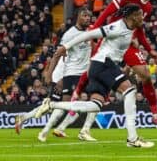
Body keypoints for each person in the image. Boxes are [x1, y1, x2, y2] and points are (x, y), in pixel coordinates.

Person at [35, 4, 154, 148]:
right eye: (141, 14)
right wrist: (65, 47)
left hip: (101, 66)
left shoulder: (131, 29)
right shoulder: (117, 27)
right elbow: (88, 34)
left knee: (94, 105)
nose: (143, 17)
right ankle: (132, 139)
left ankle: (51, 105)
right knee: (130, 91)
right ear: (133, 16)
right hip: (103, 63)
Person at [73, 0, 157, 133]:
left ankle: (155, 115)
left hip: (128, 43)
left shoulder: (148, 7)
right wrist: (96, 30)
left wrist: (150, 50)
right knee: (92, 68)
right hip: (111, 39)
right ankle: (75, 97)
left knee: (146, 75)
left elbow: (139, 29)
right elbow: (108, 11)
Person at [15, 8, 98, 142]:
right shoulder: (69, 34)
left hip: (82, 74)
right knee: (61, 105)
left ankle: (70, 129)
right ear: (78, 17)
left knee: (89, 102)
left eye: (90, 16)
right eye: (85, 16)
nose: (88, 18)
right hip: (68, 74)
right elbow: (58, 55)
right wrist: (52, 75)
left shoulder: (90, 31)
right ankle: (41, 127)